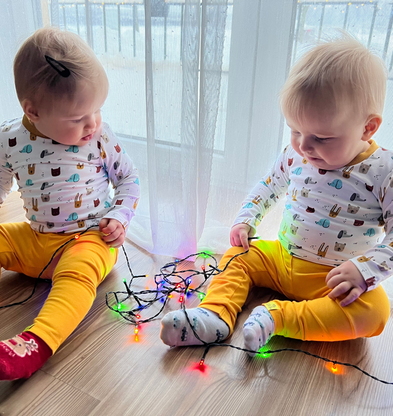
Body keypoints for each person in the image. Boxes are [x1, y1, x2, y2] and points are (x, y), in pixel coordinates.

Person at [160, 34, 393, 355]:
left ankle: (277, 318)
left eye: (321, 137)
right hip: (282, 260)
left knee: (376, 312)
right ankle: (214, 314)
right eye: (295, 131)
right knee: (239, 257)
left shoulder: (384, 171)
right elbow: (269, 185)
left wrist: (364, 270)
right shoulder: (297, 153)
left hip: (335, 279)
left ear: (368, 128)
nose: (304, 146)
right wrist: (246, 219)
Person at [0, 27, 140, 380]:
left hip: (88, 240)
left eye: (97, 110)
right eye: (77, 118)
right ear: (33, 112)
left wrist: (119, 216)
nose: (93, 123)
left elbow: (128, 179)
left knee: (78, 273)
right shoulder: (9, 139)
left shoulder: (100, 138)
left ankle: (37, 341)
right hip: (37, 243)